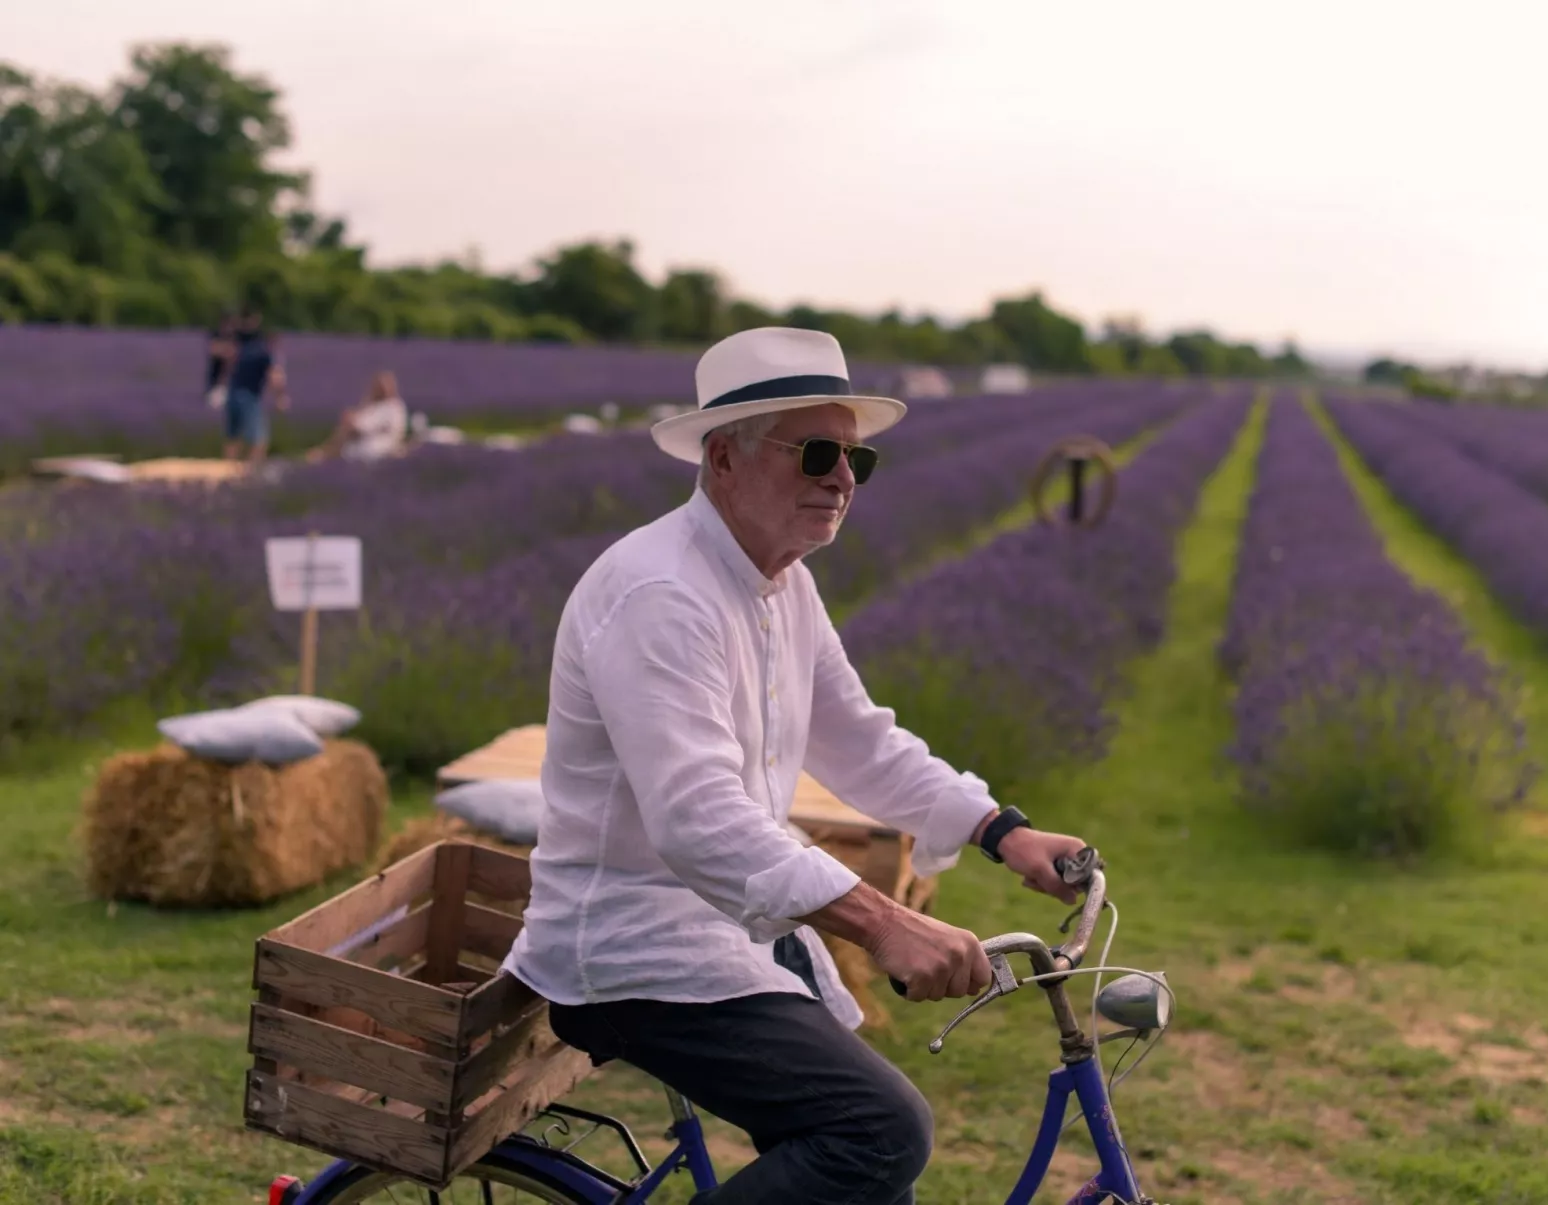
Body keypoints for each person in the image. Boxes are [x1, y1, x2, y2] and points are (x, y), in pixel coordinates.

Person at [499, 327, 1092, 1204]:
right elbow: (697, 817)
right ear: (723, 459)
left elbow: (857, 735)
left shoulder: (780, 582)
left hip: (724, 932)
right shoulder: (662, 595)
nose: (843, 478)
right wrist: (885, 922)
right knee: (877, 1132)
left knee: (868, 1181)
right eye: (817, 451)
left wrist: (1000, 830)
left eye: (858, 457)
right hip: (635, 951)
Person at [222, 308, 290, 465]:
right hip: (249, 397)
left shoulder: (245, 348)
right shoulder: (266, 353)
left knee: (233, 437)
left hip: (232, 394)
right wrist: (280, 398)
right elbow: (275, 377)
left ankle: (228, 471)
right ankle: (252, 474)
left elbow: (230, 367)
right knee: (259, 439)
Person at [305, 370, 410, 463]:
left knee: (346, 430)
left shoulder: (393, 406)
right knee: (346, 427)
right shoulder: (374, 406)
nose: (381, 389)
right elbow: (364, 422)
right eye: (378, 386)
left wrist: (353, 423)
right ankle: (325, 452)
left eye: (383, 386)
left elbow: (373, 428)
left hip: (376, 444)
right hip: (362, 440)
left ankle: (324, 452)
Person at [204, 313, 234, 410]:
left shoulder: (233, 336)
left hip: (229, 380)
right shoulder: (216, 335)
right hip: (216, 379)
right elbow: (214, 350)